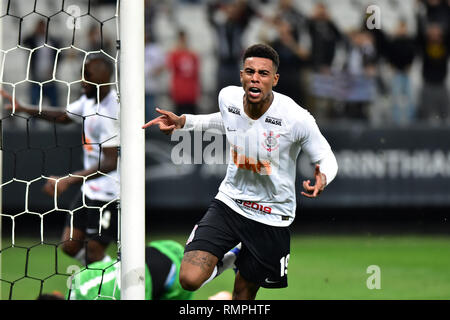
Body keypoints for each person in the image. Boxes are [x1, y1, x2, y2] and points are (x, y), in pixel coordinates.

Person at [142, 44, 338, 300]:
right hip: (231, 203)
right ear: (242, 75)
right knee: (189, 279)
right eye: (250, 71)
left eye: (263, 73)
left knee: (242, 297)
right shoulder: (228, 97)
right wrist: (184, 122)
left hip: (272, 214)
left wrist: (323, 176)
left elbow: (325, 155)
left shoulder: (296, 118)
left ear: (275, 79)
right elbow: (224, 119)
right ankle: (234, 251)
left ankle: (240, 254)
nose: (255, 78)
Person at [0, 54, 119, 265]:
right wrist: (25, 109)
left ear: (102, 78)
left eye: (87, 75)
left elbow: (111, 162)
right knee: (70, 245)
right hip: (89, 190)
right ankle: (107, 275)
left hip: (109, 194)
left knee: (93, 251)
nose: (82, 80)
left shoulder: (111, 111)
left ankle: (111, 286)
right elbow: (64, 117)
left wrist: (67, 179)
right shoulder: (89, 101)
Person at [167, 30, 200, 116]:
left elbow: (196, 73)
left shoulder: (193, 55)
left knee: (193, 117)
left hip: (191, 91)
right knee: (178, 117)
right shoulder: (175, 54)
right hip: (179, 91)